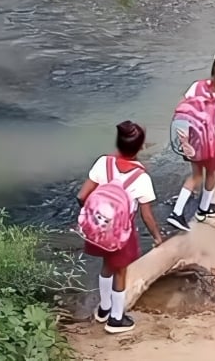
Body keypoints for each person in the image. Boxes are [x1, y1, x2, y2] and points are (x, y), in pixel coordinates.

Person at [76, 121, 162, 334]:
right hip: (121, 232)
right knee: (121, 271)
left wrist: (93, 218)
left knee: (106, 265)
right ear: (140, 147)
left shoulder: (103, 163)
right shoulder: (141, 178)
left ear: (118, 142)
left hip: (99, 226)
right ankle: (116, 318)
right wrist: (157, 237)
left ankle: (103, 308)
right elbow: (146, 215)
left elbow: (82, 196)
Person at [166, 53, 215, 232]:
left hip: (191, 140)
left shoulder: (196, 86)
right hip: (211, 145)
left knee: (195, 176)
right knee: (211, 174)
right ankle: (203, 209)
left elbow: (182, 107)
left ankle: (177, 212)